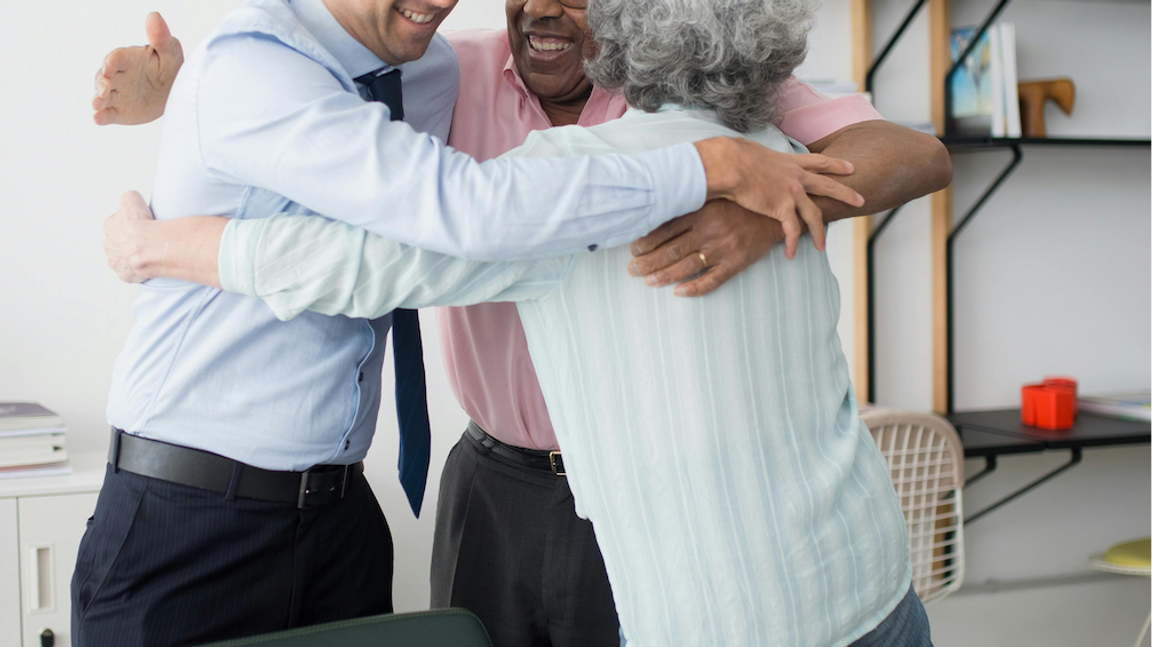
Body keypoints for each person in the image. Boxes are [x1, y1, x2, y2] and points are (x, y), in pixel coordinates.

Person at [95, 4, 948, 647]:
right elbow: (317, 99)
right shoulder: (452, 72)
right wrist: (193, 88)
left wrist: (172, 246)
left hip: (661, 523)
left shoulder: (729, 153)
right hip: (522, 493)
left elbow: (378, 257)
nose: (544, 7)